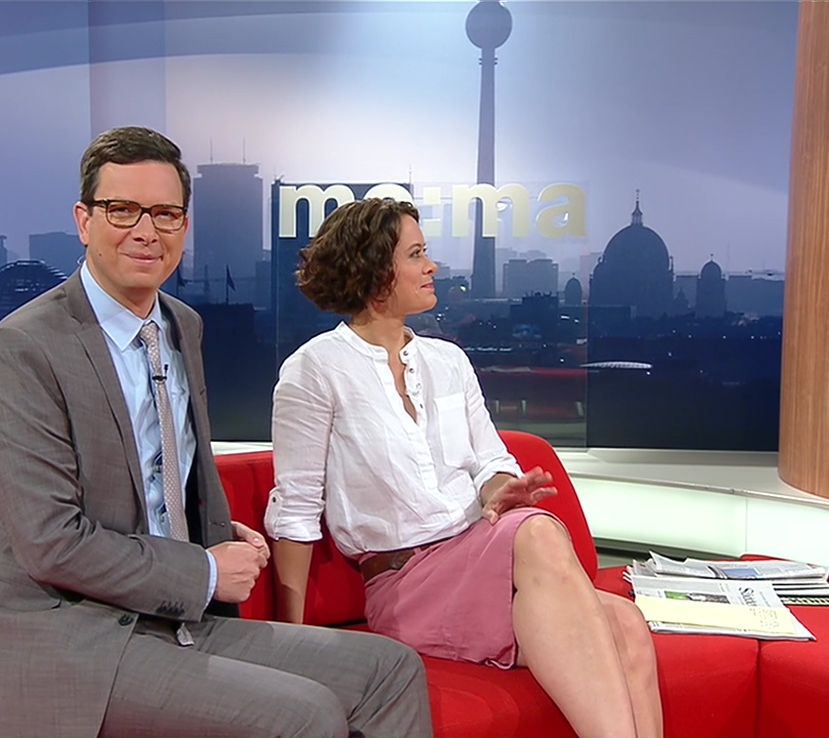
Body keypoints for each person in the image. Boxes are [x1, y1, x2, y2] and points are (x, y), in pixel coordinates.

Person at [0, 128, 432, 738]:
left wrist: (217, 535)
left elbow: (167, 473)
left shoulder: (182, 326)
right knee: (304, 714)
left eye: (166, 214)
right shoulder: (22, 348)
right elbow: (50, 543)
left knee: (391, 671)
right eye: (122, 210)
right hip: (67, 638)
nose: (146, 231)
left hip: (174, 615)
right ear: (84, 221)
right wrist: (203, 571)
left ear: (184, 225)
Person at [266, 198, 663, 738]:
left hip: (475, 553)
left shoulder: (448, 360)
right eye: (416, 254)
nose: (432, 266)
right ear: (374, 269)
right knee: (540, 534)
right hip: (406, 583)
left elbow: (492, 463)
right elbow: (295, 511)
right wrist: (289, 644)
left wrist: (501, 489)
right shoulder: (314, 370)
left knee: (627, 624)